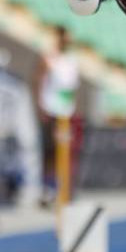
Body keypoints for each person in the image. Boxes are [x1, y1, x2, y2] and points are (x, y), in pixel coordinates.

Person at [34, 25, 83, 206]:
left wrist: (74, 107)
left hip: (66, 113)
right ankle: (47, 190)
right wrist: (40, 106)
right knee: (50, 152)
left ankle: (65, 188)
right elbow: (38, 80)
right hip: (51, 110)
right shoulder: (49, 59)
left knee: (67, 151)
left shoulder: (72, 60)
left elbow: (73, 87)